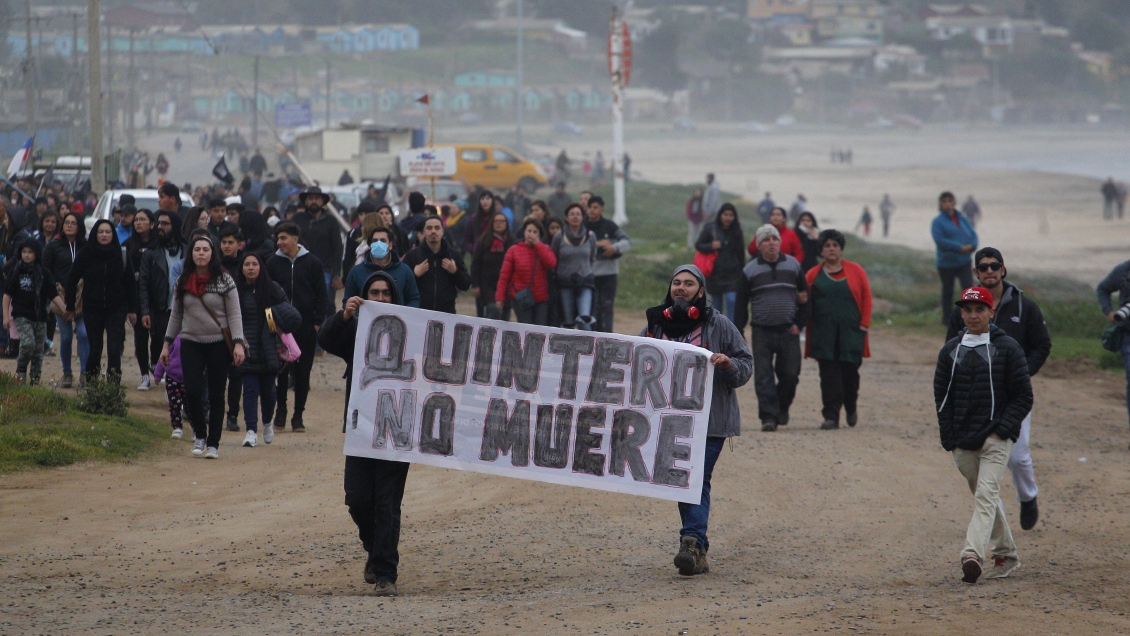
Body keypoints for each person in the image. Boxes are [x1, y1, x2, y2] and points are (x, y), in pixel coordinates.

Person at [640, 265, 752, 576]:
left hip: (710, 421)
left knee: (695, 478)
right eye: (676, 282)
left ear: (700, 291)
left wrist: (728, 364)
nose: (681, 287)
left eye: (689, 283)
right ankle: (697, 550)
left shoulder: (720, 325)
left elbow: (745, 366)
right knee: (681, 480)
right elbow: (634, 363)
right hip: (670, 421)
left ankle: (691, 542)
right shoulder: (654, 324)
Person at [946, 248, 1050, 530]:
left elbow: (1042, 344)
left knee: (1017, 457)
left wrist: (1022, 372)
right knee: (982, 459)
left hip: (1014, 394)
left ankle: (1028, 496)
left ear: (1003, 270)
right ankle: (996, 521)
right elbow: (951, 349)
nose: (989, 270)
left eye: (995, 266)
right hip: (977, 395)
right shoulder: (965, 309)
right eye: (984, 267)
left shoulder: (1024, 306)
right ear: (976, 273)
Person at [318, 270, 407, 597]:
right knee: (357, 498)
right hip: (361, 429)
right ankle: (374, 547)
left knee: (386, 503)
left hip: (399, 433)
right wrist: (344, 316)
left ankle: (385, 574)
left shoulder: (414, 335)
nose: (381, 298)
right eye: (375, 293)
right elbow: (325, 340)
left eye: (386, 293)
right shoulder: (356, 330)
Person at [934, 286, 1031, 584]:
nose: (973, 315)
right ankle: (1007, 553)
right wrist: (949, 437)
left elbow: (1023, 396)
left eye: (979, 310)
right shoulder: (950, 350)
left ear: (991, 312)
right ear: (961, 313)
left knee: (986, 496)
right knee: (984, 496)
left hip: (996, 439)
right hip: (962, 441)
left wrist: (1002, 430)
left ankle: (972, 555)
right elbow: (941, 397)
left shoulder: (1008, 348)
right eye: (968, 310)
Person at [160, 235, 247, 459]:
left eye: (205, 250)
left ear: (212, 253)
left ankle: (213, 443)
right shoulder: (182, 281)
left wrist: (238, 343)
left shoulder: (225, 280)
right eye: (196, 249)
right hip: (190, 342)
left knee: (217, 394)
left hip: (218, 344)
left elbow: (235, 314)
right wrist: (167, 344)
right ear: (191, 254)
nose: (200, 253)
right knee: (193, 390)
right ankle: (200, 434)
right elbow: (176, 315)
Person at [734, 224, 808, 432]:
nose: (771, 243)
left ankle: (782, 407)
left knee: (790, 374)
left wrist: (799, 324)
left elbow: (804, 298)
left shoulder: (793, 266)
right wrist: (739, 330)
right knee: (764, 376)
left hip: (788, 330)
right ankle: (768, 416)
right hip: (762, 331)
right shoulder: (750, 270)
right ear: (759, 245)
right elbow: (741, 304)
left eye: (774, 239)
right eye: (766, 240)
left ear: (780, 243)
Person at [804, 230, 872, 430]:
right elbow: (806, 304)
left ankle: (851, 406)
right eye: (827, 246)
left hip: (852, 333)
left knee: (850, 376)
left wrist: (864, 324)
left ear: (841, 248)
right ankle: (831, 416)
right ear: (821, 251)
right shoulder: (812, 275)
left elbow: (867, 298)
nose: (831, 249)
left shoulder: (856, 270)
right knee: (828, 376)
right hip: (823, 334)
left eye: (835, 245)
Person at [266, 222, 326, 433]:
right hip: (280, 328)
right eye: (278, 238)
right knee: (280, 371)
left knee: (302, 372)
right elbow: (266, 296)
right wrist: (272, 324)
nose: (280, 242)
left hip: (306, 327)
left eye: (283, 238)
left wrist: (317, 323)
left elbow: (321, 295)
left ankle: (298, 415)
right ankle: (280, 412)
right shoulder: (272, 263)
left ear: (295, 239)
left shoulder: (313, 263)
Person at [64, 220, 138, 382]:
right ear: (95, 234)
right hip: (92, 308)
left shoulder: (121, 254)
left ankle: (113, 388)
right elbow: (71, 280)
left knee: (114, 348)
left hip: (116, 308)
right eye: (101, 232)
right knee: (95, 349)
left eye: (108, 232)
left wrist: (132, 309)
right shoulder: (86, 254)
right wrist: (70, 306)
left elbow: (130, 284)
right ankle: (92, 385)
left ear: (113, 234)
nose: (104, 235)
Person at [234, 252, 293, 448]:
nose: (250, 268)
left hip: (269, 350)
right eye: (246, 264)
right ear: (241, 268)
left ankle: (267, 421)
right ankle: (251, 431)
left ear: (261, 267)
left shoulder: (272, 288)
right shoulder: (236, 290)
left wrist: (271, 314)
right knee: (249, 390)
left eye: (254, 264)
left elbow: (287, 312)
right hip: (246, 349)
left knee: (269, 393)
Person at [3, 238, 59, 384]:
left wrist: (66, 309)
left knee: (38, 352)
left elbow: (53, 294)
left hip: (40, 317)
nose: (27, 255)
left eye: (30, 252)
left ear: (37, 254)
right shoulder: (15, 271)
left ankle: (35, 381)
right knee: (28, 343)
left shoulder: (44, 273)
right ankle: (21, 367)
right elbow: (7, 295)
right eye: (24, 252)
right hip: (21, 315)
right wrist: (5, 317)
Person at [42, 212, 89, 387]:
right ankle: (67, 372)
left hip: (82, 296)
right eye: (67, 222)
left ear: (79, 226)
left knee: (84, 334)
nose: (69, 225)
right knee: (66, 336)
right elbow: (45, 271)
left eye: (73, 223)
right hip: (59, 296)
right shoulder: (52, 246)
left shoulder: (86, 246)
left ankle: (85, 373)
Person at [292, 186, 344, 316]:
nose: (313, 201)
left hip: (325, 270)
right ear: (305, 201)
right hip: (300, 269)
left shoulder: (331, 221)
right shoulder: (297, 219)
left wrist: (337, 274)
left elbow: (337, 247)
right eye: (310, 198)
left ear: (322, 201)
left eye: (317, 198)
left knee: (324, 306)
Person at [402, 216, 471, 314]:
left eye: (437, 228)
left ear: (442, 231)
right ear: (424, 232)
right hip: (419, 313)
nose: (433, 231)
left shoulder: (453, 255)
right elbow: (401, 286)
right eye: (429, 228)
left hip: (446, 313)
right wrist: (414, 275)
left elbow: (466, 284)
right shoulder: (412, 255)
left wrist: (455, 271)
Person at [496, 218, 557, 325]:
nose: (531, 234)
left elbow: (551, 263)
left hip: (540, 298)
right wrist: (500, 297)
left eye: (535, 232)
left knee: (540, 329)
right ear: (524, 231)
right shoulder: (513, 250)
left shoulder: (544, 248)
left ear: (539, 234)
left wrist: (538, 245)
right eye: (529, 231)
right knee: (526, 327)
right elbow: (504, 276)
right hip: (520, 296)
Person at [343, 225, 420, 308]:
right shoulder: (356, 272)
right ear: (369, 246)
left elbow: (413, 299)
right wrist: (359, 316)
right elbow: (347, 302)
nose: (378, 244)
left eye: (383, 241)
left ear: (390, 245)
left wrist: (404, 315)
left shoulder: (404, 271)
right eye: (375, 241)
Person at [584, 196, 631, 332]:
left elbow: (627, 242)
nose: (592, 210)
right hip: (589, 274)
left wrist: (614, 248)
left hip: (609, 274)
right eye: (590, 207)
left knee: (607, 307)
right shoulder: (582, 226)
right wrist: (597, 244)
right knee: (593, 308)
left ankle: (608, 336)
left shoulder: (610, 226)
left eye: (595, 207)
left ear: (602, 210)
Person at [932, 191, 978, 326]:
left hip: (964, 261)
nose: (947, 204)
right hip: (946, 263)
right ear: (941, 204)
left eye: (950, 201)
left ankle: (970, 319)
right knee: (948, 292)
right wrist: (959, 247)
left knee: (968, 290)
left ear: (954, 202)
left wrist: (973, 245)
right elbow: (939, 240)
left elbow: (973, 234)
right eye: (944, 201)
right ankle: (946, 320)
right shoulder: (937, 222)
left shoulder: (962, 218)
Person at [695, 202, 745, 322]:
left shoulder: (737, 231)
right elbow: (698, 245)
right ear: (720, 215)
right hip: (714, 273)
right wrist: (711, 246)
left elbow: (741, 254)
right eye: (725, 214)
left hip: (733, 275)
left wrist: (743, 273)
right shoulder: (710, 229)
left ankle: (731, 331)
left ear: (734, 217)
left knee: (731, 301)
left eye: (731, 215)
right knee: (716, 306)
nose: (728, 218)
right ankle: (717, 332)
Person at [126, 209, 159, 390]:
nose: (138, 223)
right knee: (140, 337)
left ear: (152, 223)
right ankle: (144, 375)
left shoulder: (158, 245)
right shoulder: (128, 245)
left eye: (143, 219)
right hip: (136, 297)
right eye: (136, 219)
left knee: (158, 334)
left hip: (156, 297)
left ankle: (154, 363)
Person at [552, 204, 596, 329]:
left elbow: (592, 257)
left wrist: (585, 271)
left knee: (585, 320)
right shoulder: (558, 237)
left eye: (578, 214)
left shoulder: (590, 236)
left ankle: (588, 347)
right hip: (565, 284)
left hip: (585, 283)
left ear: (583, 217)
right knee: (568, 322)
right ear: (566, 218)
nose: (575, 217)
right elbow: (554, 259)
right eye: (572, 214)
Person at [471, 211, 514, 320]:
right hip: (487, 284)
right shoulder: (484, 240)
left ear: (506, 224)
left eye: (502, 221)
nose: (499, 223)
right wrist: (475, 284)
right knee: (493, 310)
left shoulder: (511, 241)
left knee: (505, 316)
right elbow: (476, 263)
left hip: (506, 285)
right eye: (496, 221)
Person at [153, 335, 186, 438]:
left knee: (191, 406)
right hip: (172, 377)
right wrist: (158, 375)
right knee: (174, 403)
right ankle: (177, 428)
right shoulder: (172, 340)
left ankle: (196, 430)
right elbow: (163, 358)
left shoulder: (194, 340)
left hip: (189, 379)